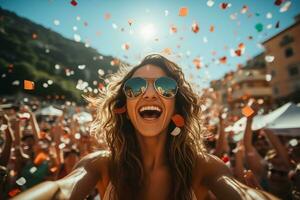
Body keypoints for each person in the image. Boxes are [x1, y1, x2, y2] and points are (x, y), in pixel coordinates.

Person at [12, 54, 279, 200]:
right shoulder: (100, 164)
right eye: (137, 87)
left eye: (164, 87)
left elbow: (243, 194)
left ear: (177, 106)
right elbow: (62, 189)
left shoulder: (204, 167)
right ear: (124, 106)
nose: (149, 94)